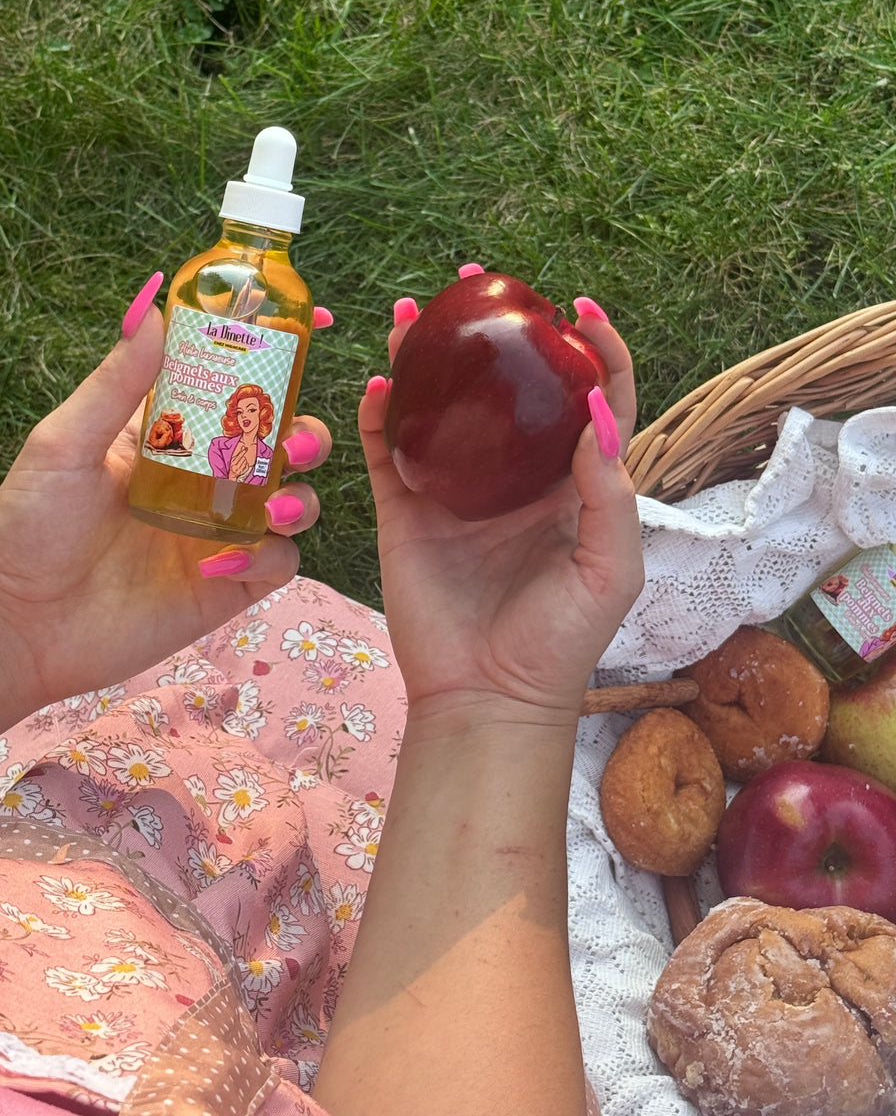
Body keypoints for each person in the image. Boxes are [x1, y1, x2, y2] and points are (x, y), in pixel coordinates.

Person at [0, 267, 643, 1116]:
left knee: (293, 659)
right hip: (362, 1012)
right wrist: (492, 702)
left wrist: (22, 631)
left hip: (78, 846)